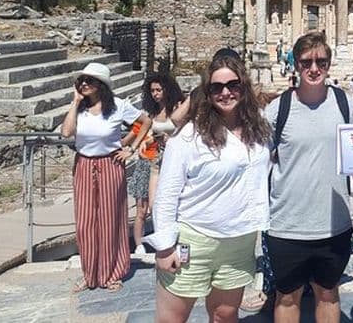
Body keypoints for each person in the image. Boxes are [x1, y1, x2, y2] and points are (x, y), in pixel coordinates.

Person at [145, 52, 272, 323]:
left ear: (243, 86)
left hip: (240, 239)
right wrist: (165, 246)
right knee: (172, 319)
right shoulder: (189, 137)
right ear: (207, 92)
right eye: (217, 87)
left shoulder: (259, 129)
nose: (226, 92)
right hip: (195, 239)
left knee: (224, 316)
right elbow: (167, 193)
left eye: (233, 85)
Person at [264, 32, 353, 323]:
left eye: (321, 62)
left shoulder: (345, 103)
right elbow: (256, 163)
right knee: (287, 298)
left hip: (334, 222)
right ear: (294, 64)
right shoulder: (278, 109)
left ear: (329, 64)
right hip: (287, 224)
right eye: (306, 62)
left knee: (328, 294)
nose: (314, 69)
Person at [60, 62, 152, 292]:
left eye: (88, 81)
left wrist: (130, 147)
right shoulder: (79, 109)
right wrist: (75, 102)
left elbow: (145, 121)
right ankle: (89, 274)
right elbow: (66, 132)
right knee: (85, 221)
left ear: (100, 85)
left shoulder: (118, 106)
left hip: (111, 164)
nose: (83, 84)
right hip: (83, 164)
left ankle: (112, 272)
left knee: (112, 219)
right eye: (81, 81)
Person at [128, 73, 185, 256]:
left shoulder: (178, 107)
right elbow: (145, 131)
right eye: (152, 90)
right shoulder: (151, 112)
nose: (155, 93)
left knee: (173, 205)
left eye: (158, 90)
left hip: (174, 161)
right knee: (148, 206)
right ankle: (143, 245)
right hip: (154, 160)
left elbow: (181, 130)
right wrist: (145, 140)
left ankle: (176, 245)